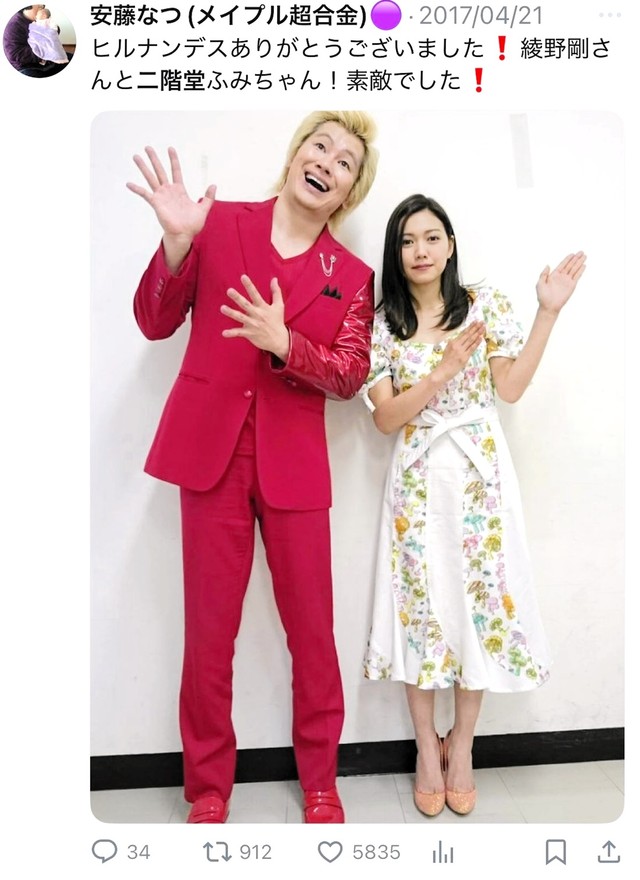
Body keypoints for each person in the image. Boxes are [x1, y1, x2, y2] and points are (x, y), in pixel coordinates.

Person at [127, 112, 378, 824]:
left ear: (348, 193)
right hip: (210, 455)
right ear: (296, 155)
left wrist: (286, 342)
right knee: (209, 634)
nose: (327, 162)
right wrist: (177, 244)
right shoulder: (217, 223)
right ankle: (208, 788)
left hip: (294, 467)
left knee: (313, 634)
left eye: (346, 162)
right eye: (320, 146)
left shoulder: (351, 277)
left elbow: (350, 373)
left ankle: (321, 781)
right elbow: (153, 322)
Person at [362, 194, 585, 817]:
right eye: (407, 241)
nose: (421, 251)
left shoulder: (484, 305)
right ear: (395, 252)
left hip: (480, 479)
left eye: (431, 237)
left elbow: (508, 388)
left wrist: (546, 314)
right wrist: (439, 373)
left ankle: (461, 746)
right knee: (418, 610)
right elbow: (385, 418)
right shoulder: (383, 323)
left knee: (476, 606)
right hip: (416, 482)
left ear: (450, 244)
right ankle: (424, 751)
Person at [2, 5, 68, 76]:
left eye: (43, 7)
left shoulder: (40, 19)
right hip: (27, 66)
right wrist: (44, 52)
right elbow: (14, 54)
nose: (42, 10)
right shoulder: (13, 25)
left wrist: (51, 29)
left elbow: (55, 29)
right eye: (39, 7)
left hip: (48, 59)